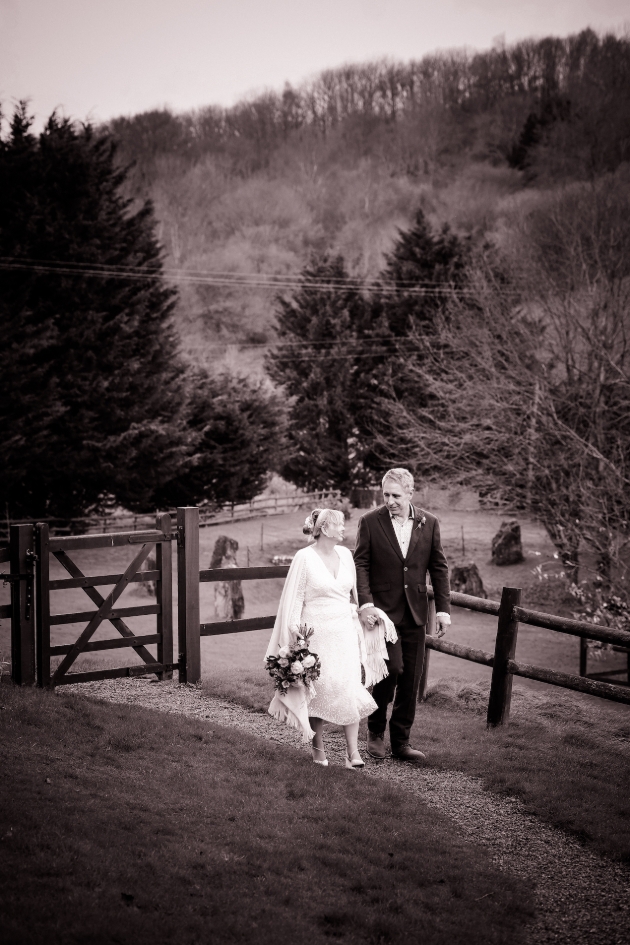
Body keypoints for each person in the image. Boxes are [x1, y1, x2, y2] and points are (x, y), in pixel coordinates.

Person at [265, 508, 379, 769]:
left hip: (344, 632)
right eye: (339, 525)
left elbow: (355, 596)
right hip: (316, 632)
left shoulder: (346, 555)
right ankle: (319, 750)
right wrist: (297, 639)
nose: (343, 529)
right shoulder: (304, 558)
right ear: (324, 528)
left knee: (349, 687)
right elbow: (294, 600)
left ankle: (353, 753)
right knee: (320, 691)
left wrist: (366, 615)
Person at [354, 468, 452, 763]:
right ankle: (375, 732)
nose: (390, 501)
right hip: (383, 615)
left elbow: (439, 568)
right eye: (386, 495)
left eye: (396, 495)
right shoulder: (370, 522)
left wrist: (444, 610)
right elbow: (360, 565)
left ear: (410, 493)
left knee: (411, 679)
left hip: (416, 613)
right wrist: (366, 605)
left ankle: (401, 742)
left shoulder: (429, 522)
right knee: (392, 669)